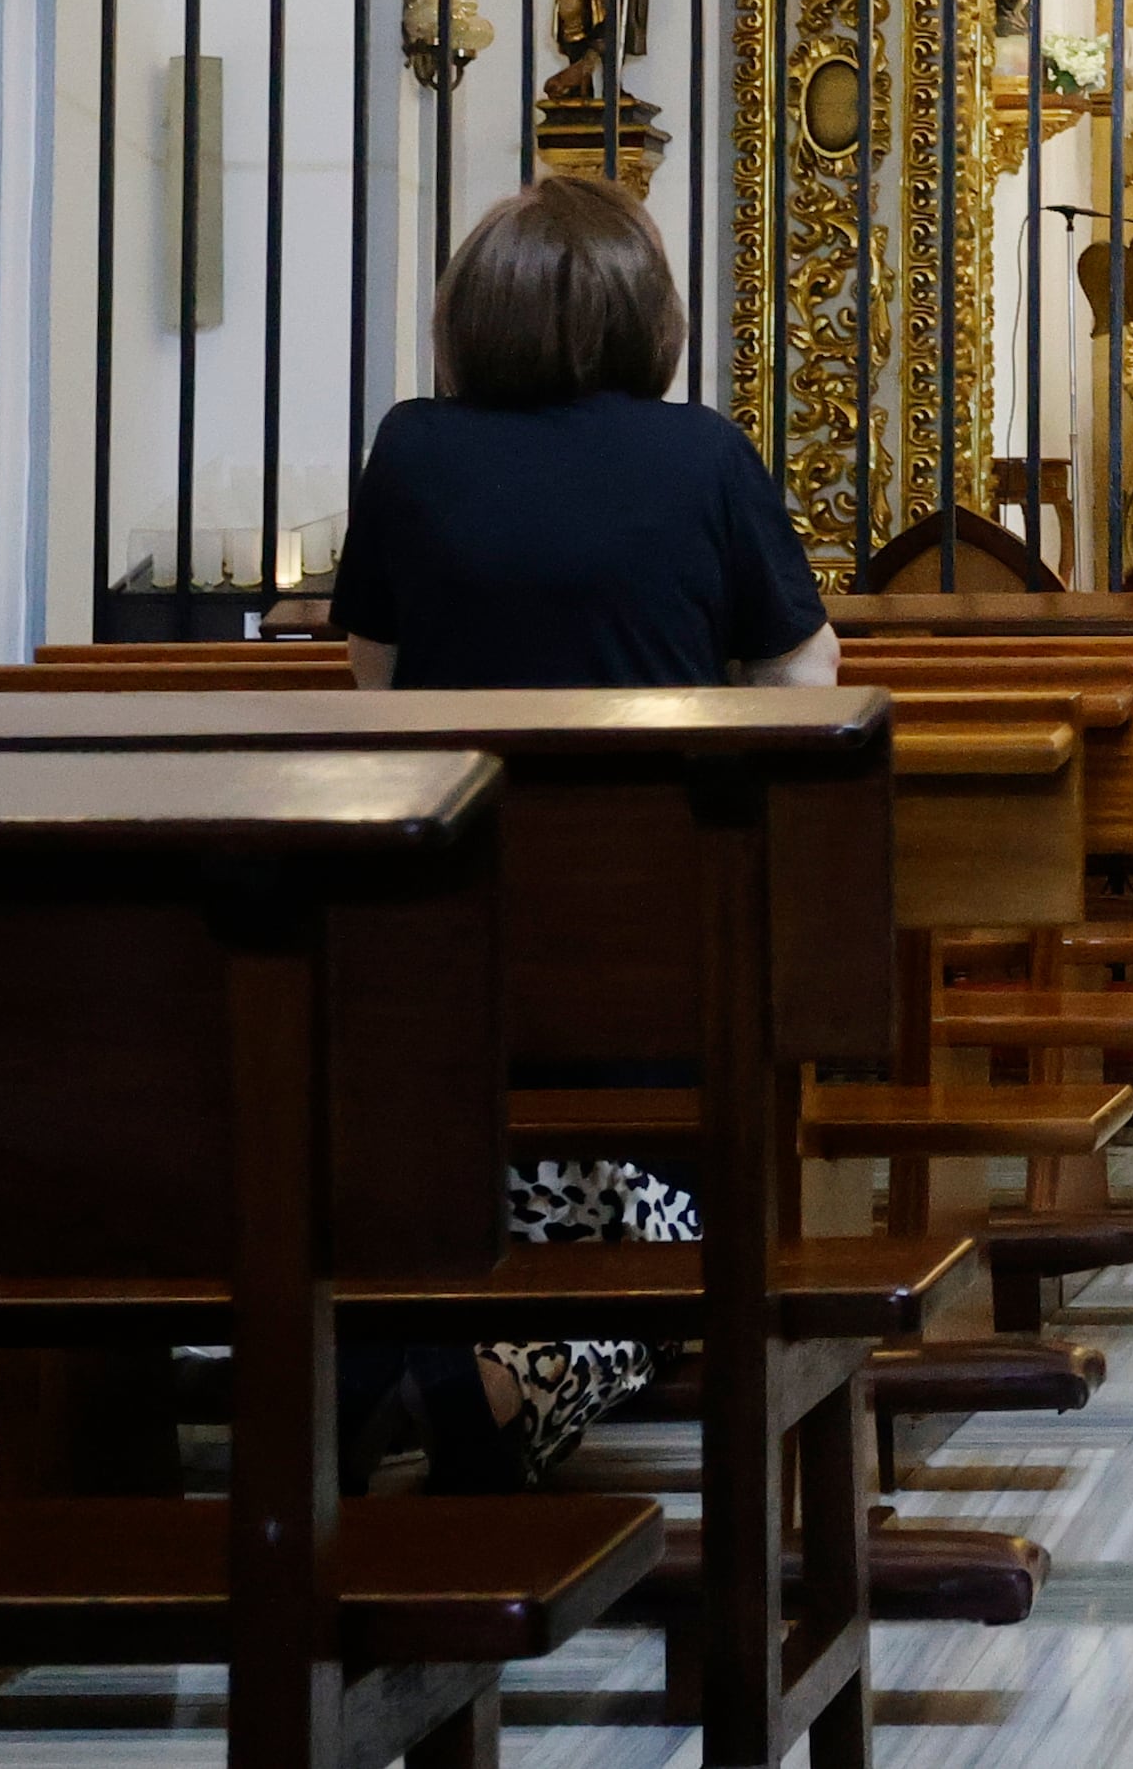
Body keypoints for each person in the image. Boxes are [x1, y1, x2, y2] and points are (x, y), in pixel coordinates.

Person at [328, 172, 838, 1485]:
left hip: (440, 954)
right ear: (648, 315)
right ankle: (499, 1381)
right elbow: (803, 687)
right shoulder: (703, 454)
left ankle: (402, 1343)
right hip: (644, 963)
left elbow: (375, 682)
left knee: (474, 1161)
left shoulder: (410, 446)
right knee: (685, 1218)